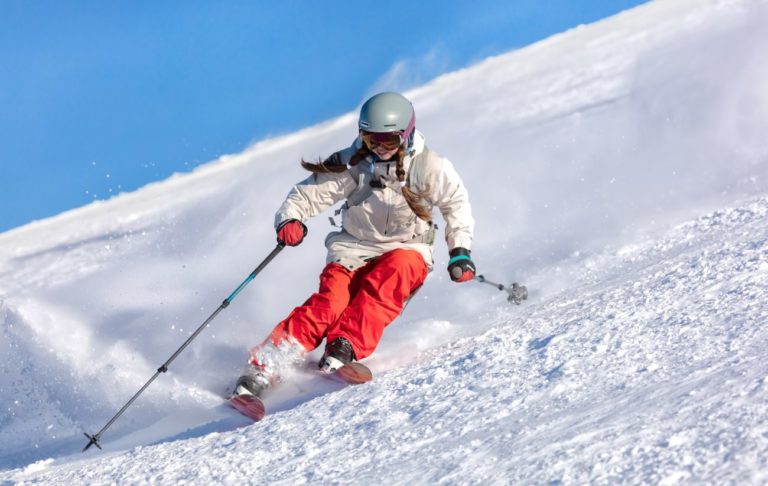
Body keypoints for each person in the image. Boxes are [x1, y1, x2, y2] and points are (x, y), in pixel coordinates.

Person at [233, 91, 476, 398]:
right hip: (353, 248)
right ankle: (263, 368)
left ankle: (343, 346)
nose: (380, 149)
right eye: (372, 140)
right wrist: (289, 220)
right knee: (329, 303)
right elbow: (306, 195)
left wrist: (460, 252)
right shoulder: (355, 163)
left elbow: (457, 206)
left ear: (407, 134)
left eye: (389, 141)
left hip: (408, 247)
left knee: (390, 280)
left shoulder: (430, 167)